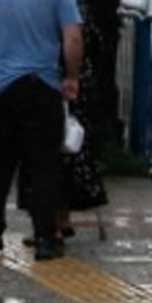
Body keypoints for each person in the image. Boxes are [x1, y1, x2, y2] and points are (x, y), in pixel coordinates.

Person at [18, 0, 109, 245]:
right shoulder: (76, 7)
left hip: (52, 82)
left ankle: (51, 226)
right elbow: (91, 42)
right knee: (68, 151)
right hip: (75, 86)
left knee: (45, 157)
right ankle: (60, 220)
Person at [0, 0, 83, 261]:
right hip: (44, 88)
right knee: (44, 168)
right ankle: (45, 239)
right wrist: (71, 77)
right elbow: (73, 37)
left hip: (4, 89)